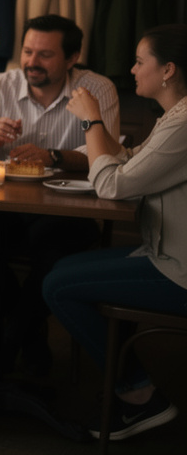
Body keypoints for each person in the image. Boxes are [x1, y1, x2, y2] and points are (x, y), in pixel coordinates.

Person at [0, 14, 121, 375]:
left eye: (45, 55)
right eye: (27, 51)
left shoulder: (96, 89)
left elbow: (108, 154)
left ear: (72, 58)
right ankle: (29, 339)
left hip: (71, 210)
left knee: (52, 246)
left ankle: (6, 348)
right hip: (6, 206)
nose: (32, 62)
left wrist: (54, 156)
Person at [44, 24, 187, 442]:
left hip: (179, 272)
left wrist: (91, 120)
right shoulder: (173, 118)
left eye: (141, 61)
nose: (133, 69)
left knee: (58, 284)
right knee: (61, 269)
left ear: (168, 70)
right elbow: (124, 159)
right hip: (165, 257)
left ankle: (141, 396)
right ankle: (133, 391)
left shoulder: (183, 124)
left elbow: (112, 184)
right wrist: (99, 127)